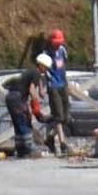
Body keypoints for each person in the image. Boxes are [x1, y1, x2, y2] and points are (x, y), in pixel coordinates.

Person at [30, 28, 74, 156]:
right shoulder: (46, 53)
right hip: (52, 85)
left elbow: (64, 68)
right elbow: (43, 72)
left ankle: (50, 137)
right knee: (58, 115)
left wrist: (67, 83)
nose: (58, 44)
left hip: (63, 84)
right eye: (56, 42)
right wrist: (42, 87)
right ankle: (62, 143)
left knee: (65, 117)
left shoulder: (63, 51)